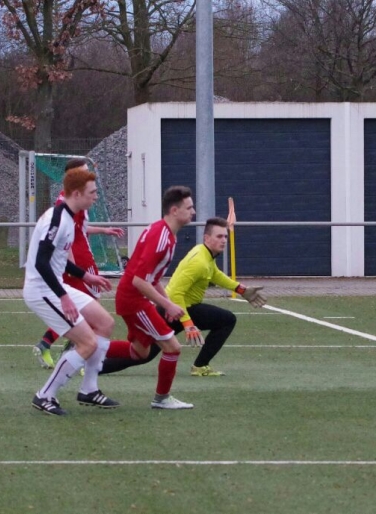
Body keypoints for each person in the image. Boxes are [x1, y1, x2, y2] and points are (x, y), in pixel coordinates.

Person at [100, 217, 267, 377]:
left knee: (144, 354)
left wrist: (240, 289)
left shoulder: (205, 255)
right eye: (219, 236)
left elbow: (215, 274)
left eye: (225, 236)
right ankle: (94, 362)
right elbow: (175, 294)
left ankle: (96, 367)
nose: (223, 240)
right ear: (206, 238)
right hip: (175, 310)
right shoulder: (199, 261)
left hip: (179, 309)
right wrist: (188, 324)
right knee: (143, 353)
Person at [25, 167, 118, 416]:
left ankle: (89, 390)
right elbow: (41, 263)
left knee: (105, 323)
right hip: (41, 290)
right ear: (76, 194)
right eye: (92, 192)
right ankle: (45, 395)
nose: (95, 197)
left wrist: (86, 276)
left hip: (55, 285)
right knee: (87, 342)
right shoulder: (56, 219)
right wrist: (64, 297)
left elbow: (57, 259)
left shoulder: (68, 217)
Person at [109, 186, 196, 410]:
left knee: (140, 352)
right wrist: (167, 305)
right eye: (189, 208)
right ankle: (161, 398)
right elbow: (139, 281)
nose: (193, 212)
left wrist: (166, 304)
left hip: (133, 298)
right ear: (174, 210)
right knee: (172, 347)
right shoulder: (161, 237)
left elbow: (152, 278)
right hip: (134, 300)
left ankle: (87, 346)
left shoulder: (165, 233)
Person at [32, 158, 124, 370]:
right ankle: (71, 352)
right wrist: (73, 266)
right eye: (83, 172)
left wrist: (103, 230)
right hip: (80, 261)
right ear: (72, 177)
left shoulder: (77, 201)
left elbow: (79, 229)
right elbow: (65, 238)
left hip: (83, 260)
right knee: (90, 310)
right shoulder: (65, 205)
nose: (89, 175)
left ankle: (64, 348)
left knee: (86, 309)